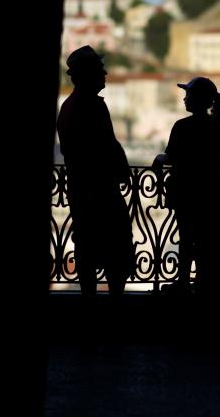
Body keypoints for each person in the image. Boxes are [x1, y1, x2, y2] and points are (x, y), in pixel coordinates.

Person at [56, 46, 135, 296]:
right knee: (116, 248)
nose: (106, 73)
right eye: (100, 70)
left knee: (88, 250)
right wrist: (120, 170)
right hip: (100, 190)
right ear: (88, 75)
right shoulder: (91, 107)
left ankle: (91, 303)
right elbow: (106, 145)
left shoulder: (71, 106)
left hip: (83, 189)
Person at [153, 77, 220, 293]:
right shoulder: (216, 127)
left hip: (185, 192)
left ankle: (184, 280)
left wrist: (160, 158)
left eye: (188, 95)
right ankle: (204, 280)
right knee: (205, 239)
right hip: (208, 192)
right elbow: (218, 158)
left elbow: (173, 156)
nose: (185, 98)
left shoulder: (182, 126)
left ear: (196, 100)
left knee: (186, 238)